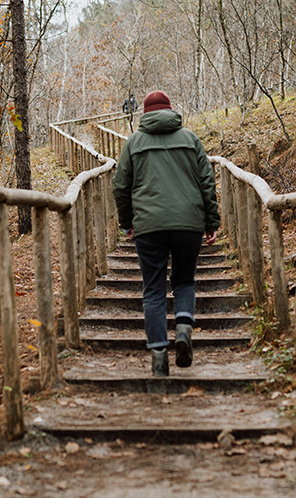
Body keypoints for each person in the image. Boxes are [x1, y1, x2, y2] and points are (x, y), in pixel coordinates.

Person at [112, 90, 220, 377]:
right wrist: (212, 223)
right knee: (184, 280)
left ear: (144, 113)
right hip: (188, 223)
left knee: (154, 289)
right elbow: (206, 182)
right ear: (170, 110)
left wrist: (128, 223)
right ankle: (183, 328)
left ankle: (159, 357)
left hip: (149, 226)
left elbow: (120, 186)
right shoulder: (189, 138)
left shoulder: (133, 142)